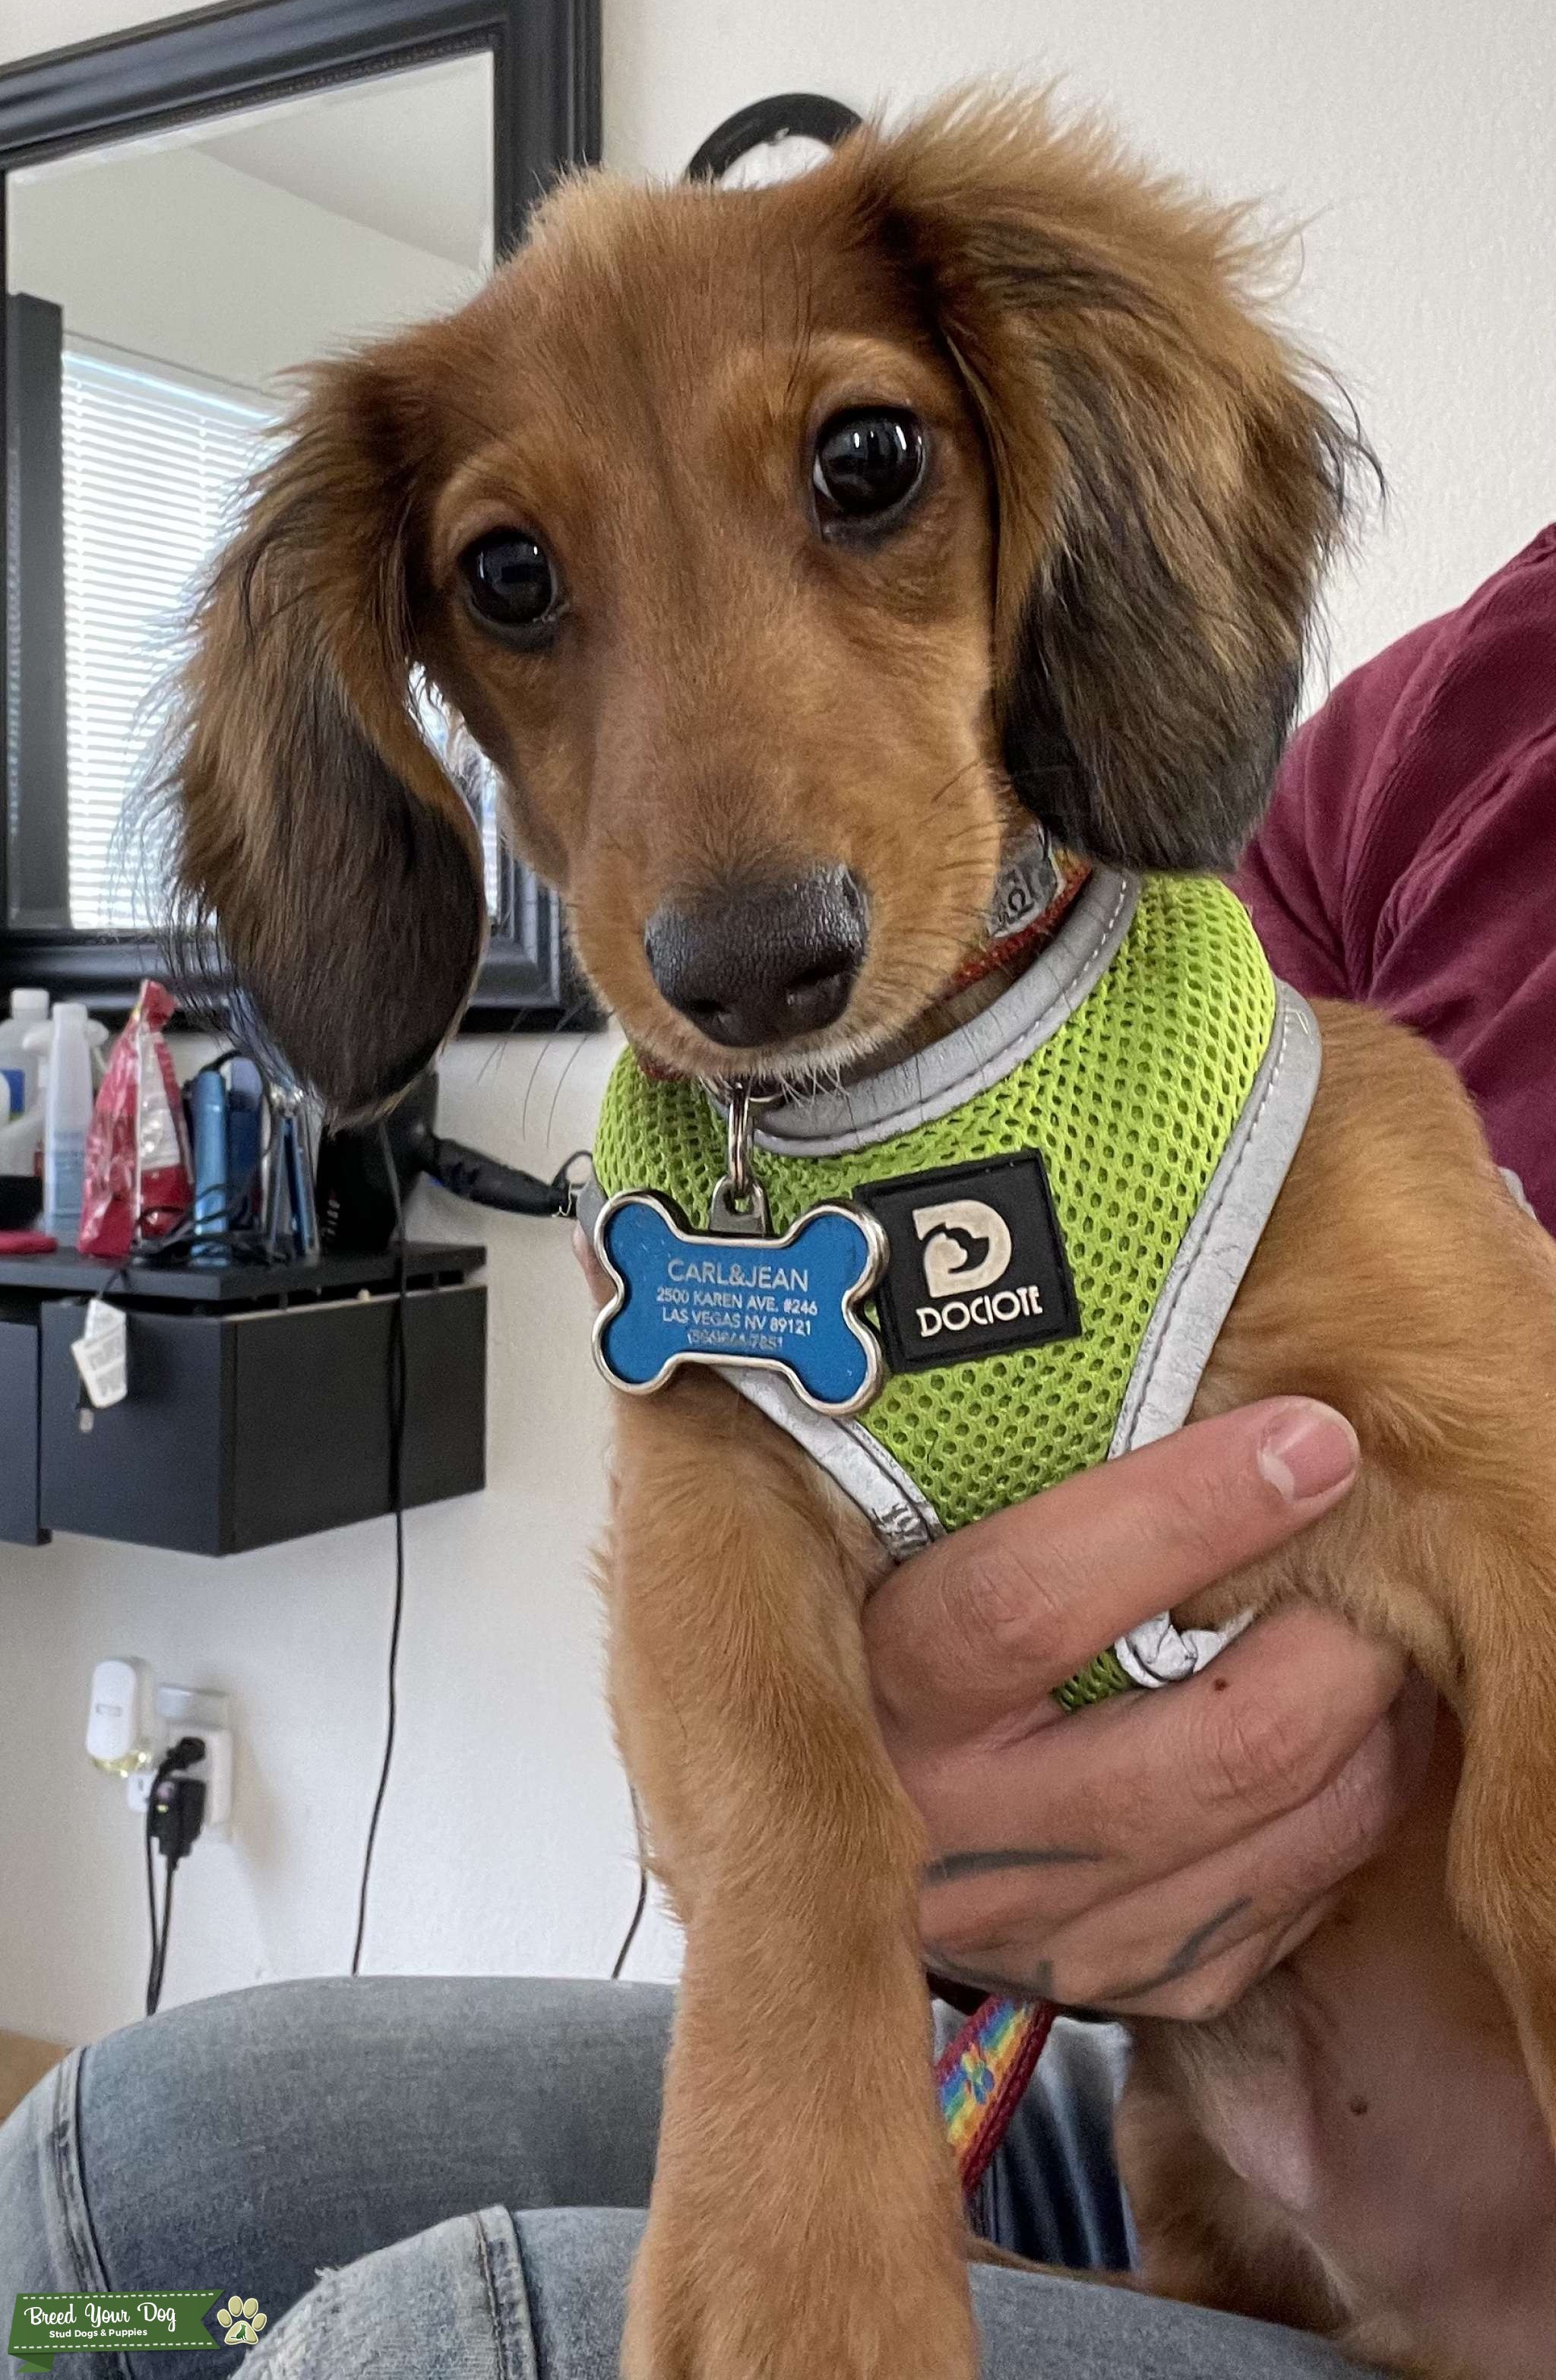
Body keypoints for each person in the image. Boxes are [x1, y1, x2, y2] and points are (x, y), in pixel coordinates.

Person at [2, 532, 1550, 2380]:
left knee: (422, 2349)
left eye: (865, 472)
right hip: (1201, 2141)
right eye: (514, 581)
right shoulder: (1420, 741)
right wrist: (914, 1869)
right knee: (109, 2192)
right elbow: (1096, 1301)